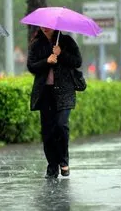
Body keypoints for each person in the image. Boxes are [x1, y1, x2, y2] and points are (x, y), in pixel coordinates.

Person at [27, 27, 82, 179]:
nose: (45, 27)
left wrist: (61, 54)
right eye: (42, 24)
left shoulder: (66, 41)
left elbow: (77, 62)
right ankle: (52, 166)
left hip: (65, 91)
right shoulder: (37, 44)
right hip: (45, 93)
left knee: (61, 125)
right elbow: (31, 66)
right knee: (48, 132)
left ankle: (64, 161)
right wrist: (47, 61)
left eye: (48, 24)